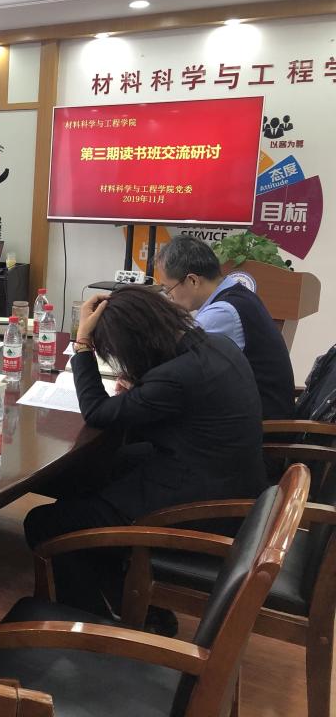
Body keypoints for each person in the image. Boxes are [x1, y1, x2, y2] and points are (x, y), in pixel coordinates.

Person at [24, 287, 267, 624]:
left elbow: (96, 412)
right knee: (91, 477)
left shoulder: (175, 377)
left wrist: (83, 345)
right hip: (231, 485)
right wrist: (141, 386)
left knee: (46, 523)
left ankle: (91, 622)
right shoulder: (216, 345)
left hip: (201, 508)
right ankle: (133, 602)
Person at [154, 235, 295, 420]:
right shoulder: (238, 294)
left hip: (260, 424)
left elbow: (176, 364)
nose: (169, 297)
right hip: (255, 412)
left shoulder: (222, 312)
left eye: (168, 289)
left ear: (193, 280)